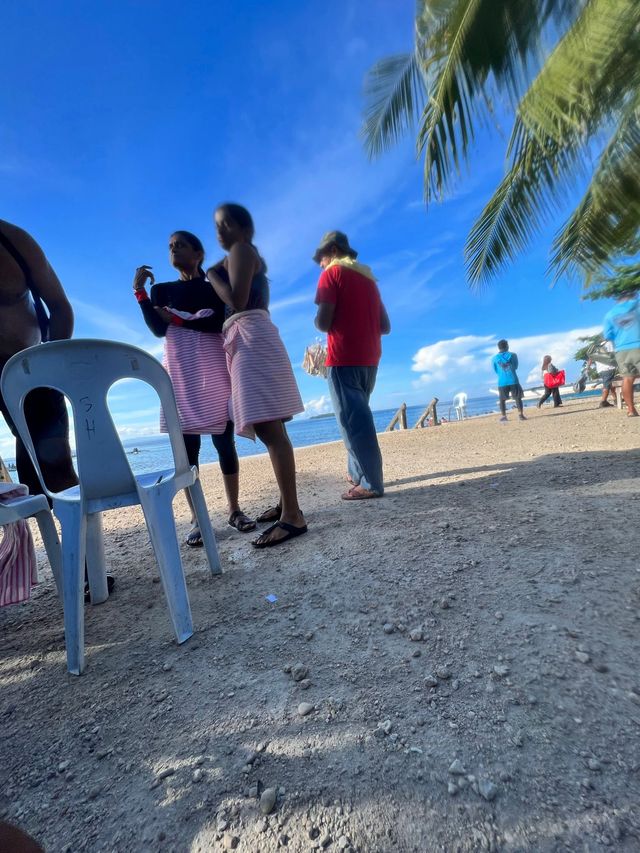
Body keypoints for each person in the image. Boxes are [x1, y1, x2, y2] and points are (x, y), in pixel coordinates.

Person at [0, 220, 114, 599]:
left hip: (30, 370)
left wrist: (49, 369)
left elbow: (60, 307)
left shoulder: (14, 241)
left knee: (56, 474)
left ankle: (88, 573)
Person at [133, 231, 255, 544]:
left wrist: (178, 319)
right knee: (188, 452)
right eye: (170, 246)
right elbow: (159, 328)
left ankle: (234, 509)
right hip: (180, 372)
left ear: (198, 253)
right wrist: (140, 293)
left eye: (180, 245)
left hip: (214, 367)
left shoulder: (213, 285)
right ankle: (198, 519)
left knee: (224, 442)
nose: (173, 249)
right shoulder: (162, 289)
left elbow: (217, 323)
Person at [207, 203, 307, 548]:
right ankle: (286, 504)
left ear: (244, 229)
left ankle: (292, 517)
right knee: (275, 428)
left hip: (249, 337)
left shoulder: (240, 250)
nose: (220, 231)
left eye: (226, 224)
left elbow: (237, 298)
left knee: (269, 429)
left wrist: (212, 276)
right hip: (254, 336)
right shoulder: (245, 253)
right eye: (216, 226)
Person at [312, 230, 390, 499]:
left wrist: (320, 322)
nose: (320, 264)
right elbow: (385, 326)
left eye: (321, 259)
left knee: (352, 422)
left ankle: (370, 483)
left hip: (343, 357)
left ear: (332, 252)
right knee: (357, 415)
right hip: (370, 358)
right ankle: (357, 472)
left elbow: (323, 322)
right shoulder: (369, 280)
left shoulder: (331, 274)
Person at [603, 290, 640, 417]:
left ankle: (631, 409)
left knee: (627, 379)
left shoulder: (610, 314)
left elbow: (608, 335)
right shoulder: (637, 306)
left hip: (621, 350)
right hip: (638, 344)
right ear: (632, 296)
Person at [492, 339, 526, 422]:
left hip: (502, 381)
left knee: (502, 400)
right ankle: (520, 415)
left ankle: (504, 416)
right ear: (507, 346)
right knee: (517, 398)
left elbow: (495, 370)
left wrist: (502, 373)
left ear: (498, 347)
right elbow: (515, 366)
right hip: (513, 379)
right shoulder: (513, 355)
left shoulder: (494, 358)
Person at [588, 340, 617, 408]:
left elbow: (591, 357)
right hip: (608, 368)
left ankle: (616, 399)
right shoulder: (610, 343)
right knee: (607, 385)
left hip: (600, 369)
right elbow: (615, 354)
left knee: (611, 384)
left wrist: (588, 367)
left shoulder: (598, 345)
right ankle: (603, 402)